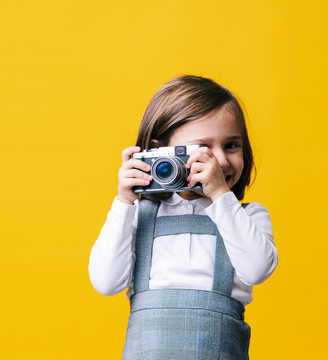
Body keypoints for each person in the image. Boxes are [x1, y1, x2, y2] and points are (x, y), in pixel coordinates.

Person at [89, 75, 278, 359]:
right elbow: (105, 282)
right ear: (159, 151)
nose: (220, 161)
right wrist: (124, 202)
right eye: (203, 148)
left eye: (231, 145)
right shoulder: (139, 216)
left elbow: (257, 270)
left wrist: (220, 196)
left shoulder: (247, 217)